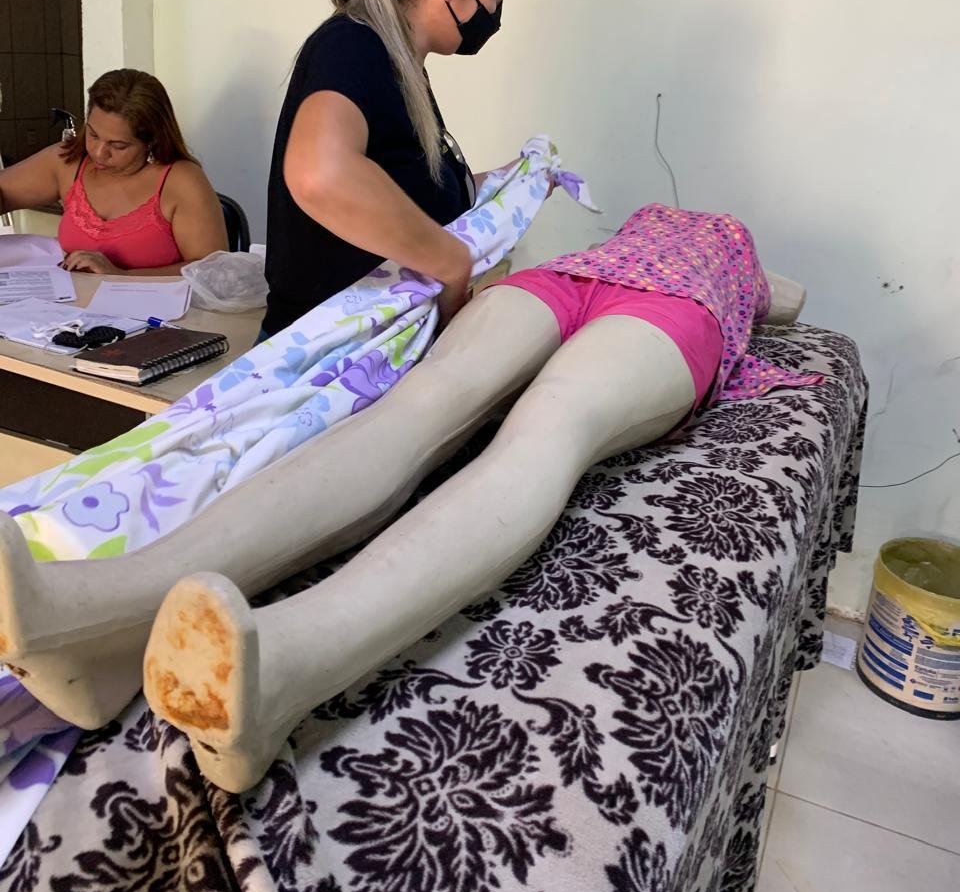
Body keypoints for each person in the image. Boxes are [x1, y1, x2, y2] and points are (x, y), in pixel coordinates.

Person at [0, 204, 820, 791]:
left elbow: (788, 299)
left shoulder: (740, 253)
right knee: (418, 405)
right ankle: (92, 620)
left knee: (549, 426)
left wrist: (749, 275)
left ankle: (286, 666)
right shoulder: (630, 226)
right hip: (565, 279)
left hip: (677, 309)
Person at [262, 0, 520, 337]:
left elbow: (408, 190)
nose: (496, 10)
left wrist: (509, 183)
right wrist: (450, 261)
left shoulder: (402, 67)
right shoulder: (352, 47)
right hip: (332, 355)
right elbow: (321, 174)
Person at [0, 69, 227, 275]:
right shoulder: (69, 161)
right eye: (93, 134)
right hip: (73, 305)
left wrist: (121, 276)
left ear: (151, 141)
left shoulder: (181, 181)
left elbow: (213, 271)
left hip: (152, 307)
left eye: (118, 146)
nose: (99, 152)